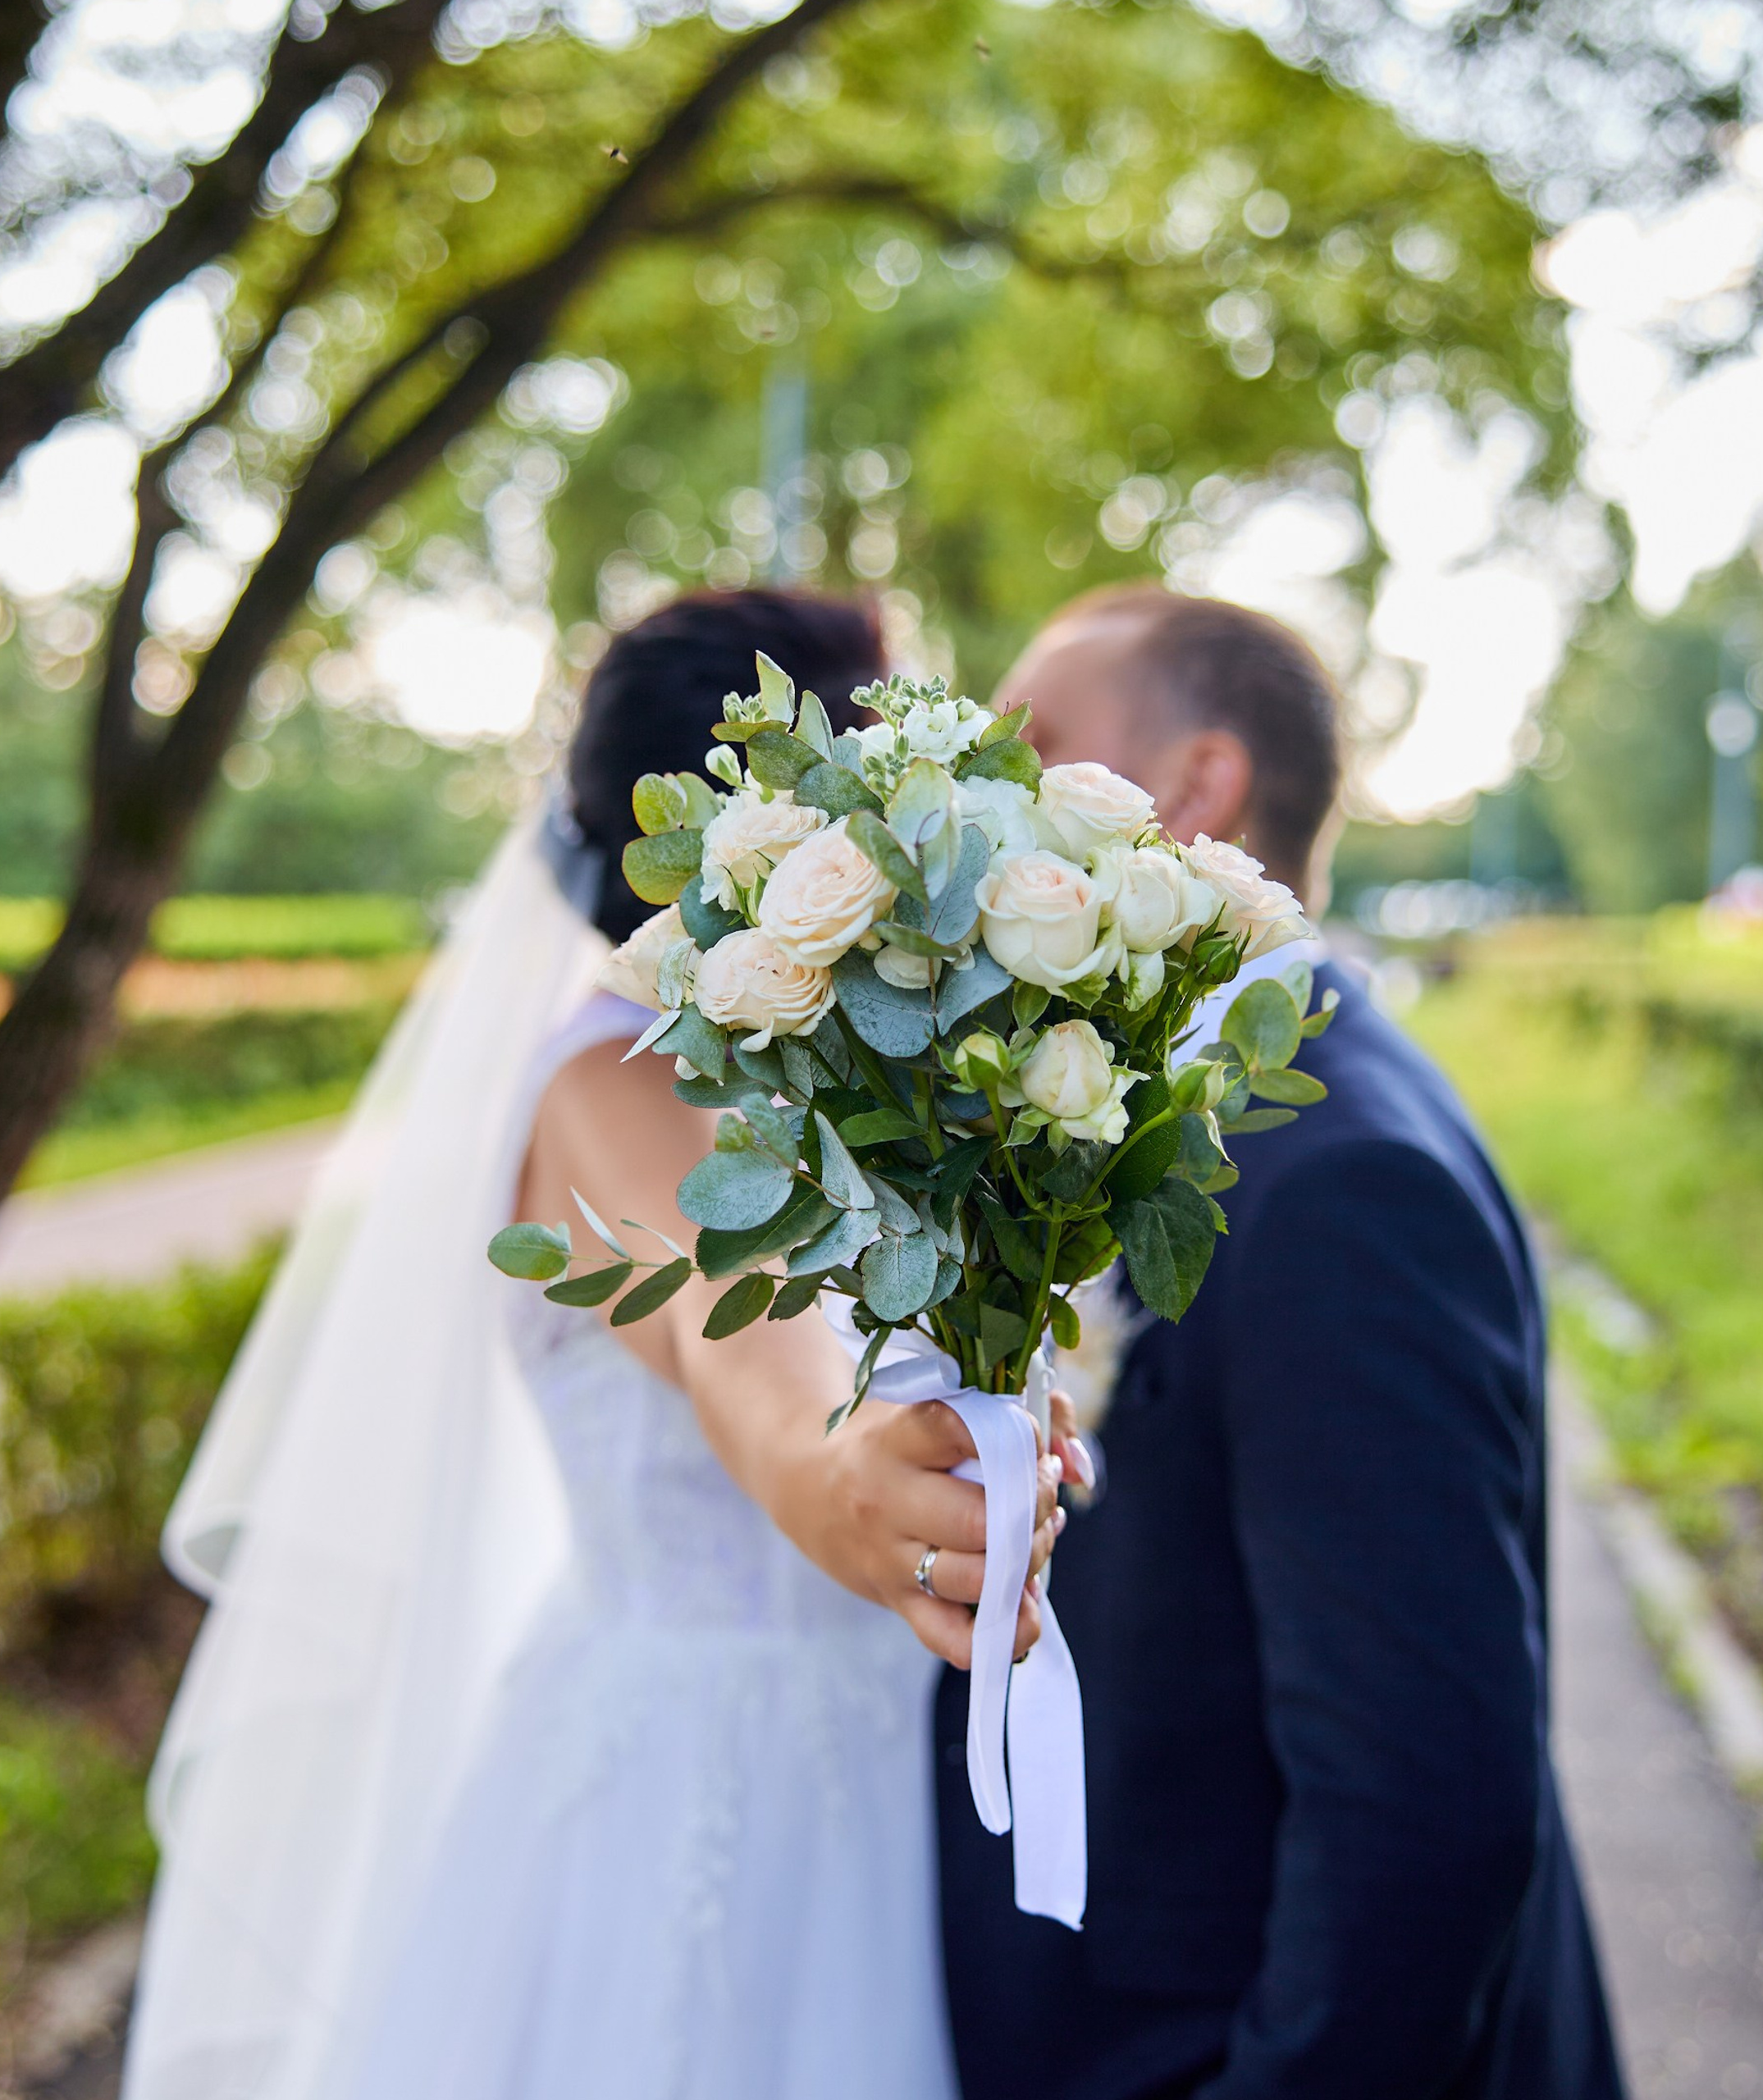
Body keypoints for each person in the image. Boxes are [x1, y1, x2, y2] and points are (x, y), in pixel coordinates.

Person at [121, 589, 1059, 2100]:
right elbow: (735, 1344)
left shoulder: (851, 1096)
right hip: (692, 1792)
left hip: (876, 1787)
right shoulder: (611, 1091)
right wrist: (849, 1487)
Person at [935, 585, 1626, 2098]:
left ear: (1197, 785)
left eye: (1031, 748)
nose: (983, 794)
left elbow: (1421, 1807)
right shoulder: (1184, 1108)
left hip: (1208, 2034)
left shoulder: (1339, 1180)